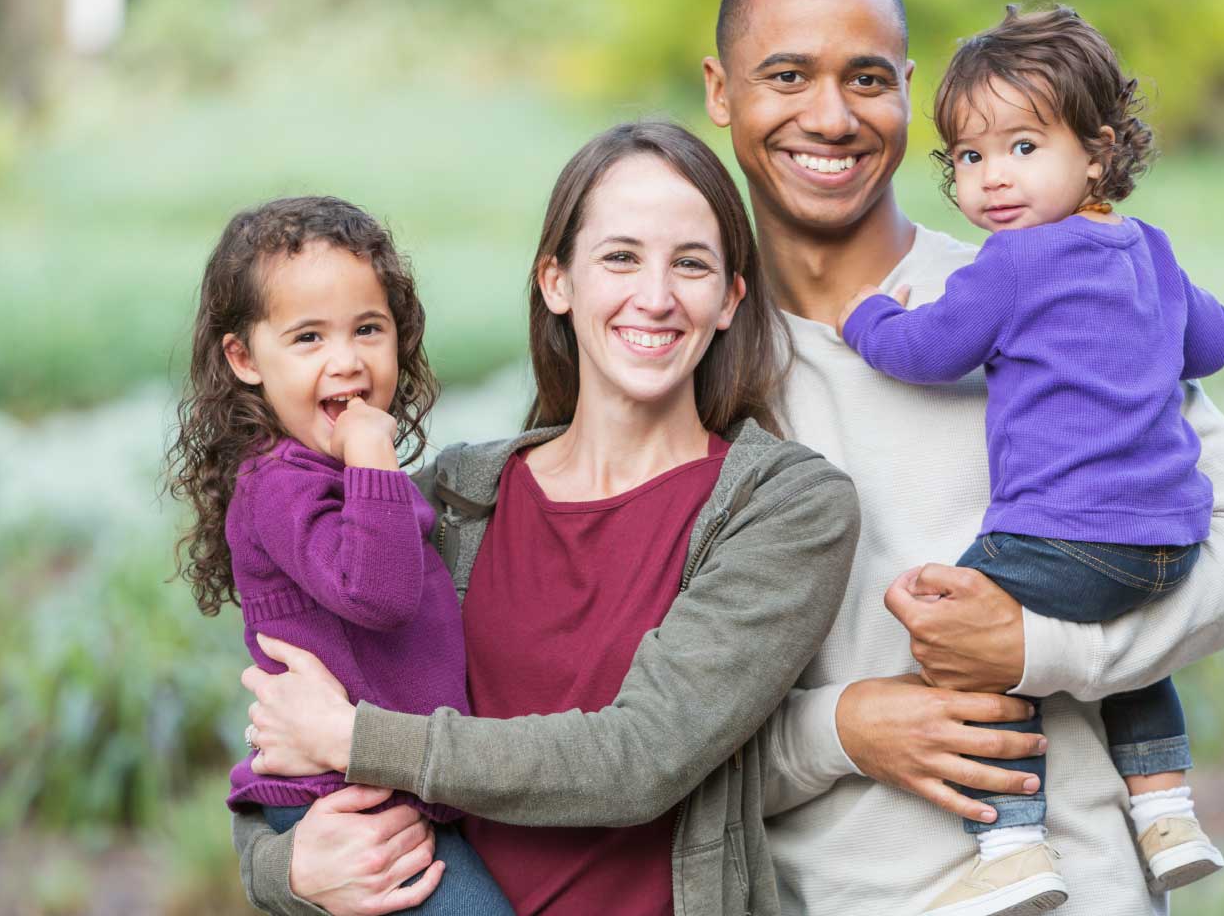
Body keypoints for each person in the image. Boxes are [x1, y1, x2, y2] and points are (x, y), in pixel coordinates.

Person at [698, 0, 1224, 916]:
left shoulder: (1054, 274)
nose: (830, 114)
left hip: (1082, 894)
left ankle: (1132, 813)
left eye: (864, 77)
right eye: (787, 74)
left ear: (906, 86)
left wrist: (1036, 648)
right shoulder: (688, 363)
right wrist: (840, 731)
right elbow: (642, 743)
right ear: (723, 91)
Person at [231, 120, 862, 916]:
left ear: (731, 298)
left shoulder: (785, 507)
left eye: (692, 264)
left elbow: (643, 757)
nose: (657, 296)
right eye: (621, 257)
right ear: (557, 281)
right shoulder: (454, 496)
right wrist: (285, 872)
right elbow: (289, 726)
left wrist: (358, 739)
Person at [835, 5, 1224, 914]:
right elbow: (1214, 342)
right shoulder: (1154, 253)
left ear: (1097, 153)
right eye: (971, 158)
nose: (992, 181)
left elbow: (928, 352)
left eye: (1022, 147)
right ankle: (1167, 810)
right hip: (1170, 543)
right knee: (1132, 658)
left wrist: (867, 319)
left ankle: (1010, 841)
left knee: (951, 630)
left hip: (1065, 536)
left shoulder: (1008, 265)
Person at [168, 195, 515, 914]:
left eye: (367, 329)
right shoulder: (279, 485)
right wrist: (370, 452)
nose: (347, 361)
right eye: (308, 339)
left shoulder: (324, 478)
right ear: (243, 357)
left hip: (379, 786)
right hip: (344, 807)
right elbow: (381, 593)